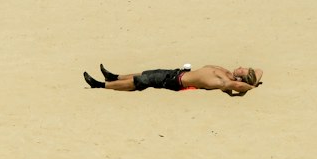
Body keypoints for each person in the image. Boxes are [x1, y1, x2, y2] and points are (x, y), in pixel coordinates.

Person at [83, 62, 262, 95]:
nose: (240, 66)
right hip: (178, 73)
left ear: (241, 77)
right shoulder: (225, 74)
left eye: (243, 69)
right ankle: (114, 77)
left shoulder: (226, 81)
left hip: (176, 81)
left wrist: (252, 86)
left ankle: (101, 85)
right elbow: (258, 72)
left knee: (141, 82)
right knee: (146, 73)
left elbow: (243, 87)